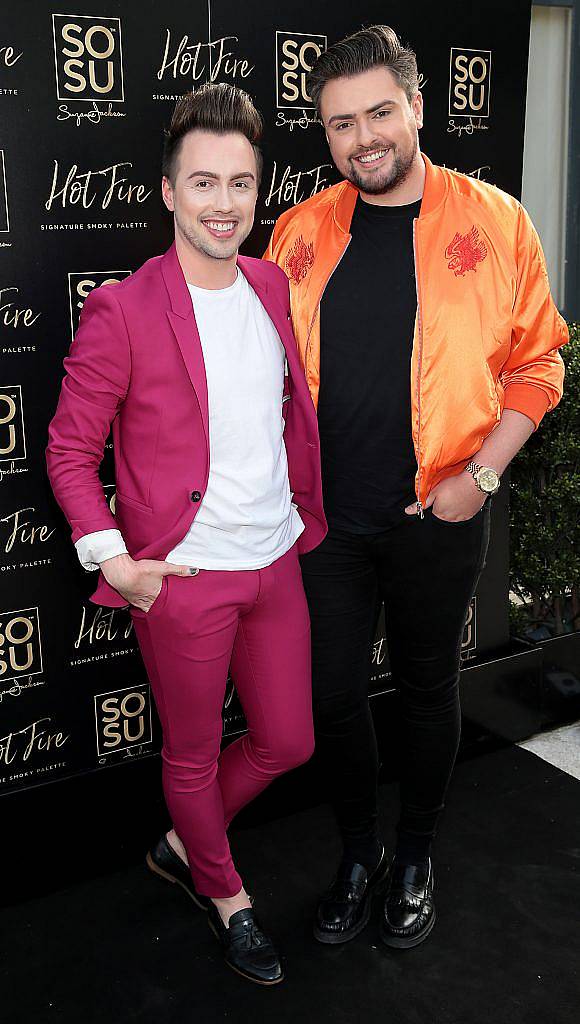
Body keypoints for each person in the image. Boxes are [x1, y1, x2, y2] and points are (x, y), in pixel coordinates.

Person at [265, 24, 567, 949]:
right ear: (326, 133)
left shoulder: (498, 219)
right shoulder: (298, 231)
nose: (364, 138)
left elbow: (541, 363)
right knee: (332, 701)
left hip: (441, 513)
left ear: (418, 107)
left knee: (431, 690)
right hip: (325, 524)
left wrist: (479, 477)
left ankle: (415, 856)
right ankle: (358, 855)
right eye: (341, 123)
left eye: (380, 113)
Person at [46, 82, 326, 985]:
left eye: (241, 184)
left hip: (275, 558)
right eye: (203, 183)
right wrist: (118, 564)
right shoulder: (124, 310)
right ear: (169, 191)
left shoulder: (272, 283)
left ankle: (181, 842)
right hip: (183, 576)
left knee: (290, 741)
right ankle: (225, 893)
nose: (224, 204)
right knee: (193, 754)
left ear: (257, 191)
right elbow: (66, 450)